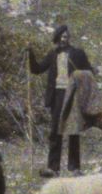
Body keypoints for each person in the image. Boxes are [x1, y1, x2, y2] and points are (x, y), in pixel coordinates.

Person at [28, 23, 93, 176]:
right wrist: (30, 54)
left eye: (66, 36)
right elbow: (37, 69)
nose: (64, 39)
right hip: (57, 94)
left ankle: (74, 168)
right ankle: (53, 168)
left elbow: (89, 72)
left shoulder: (78, 53)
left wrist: (81, 85)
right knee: (55, 131)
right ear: (57, 38)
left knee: (73, 131)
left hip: (73, 94)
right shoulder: (53, 54)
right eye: (62, 37)